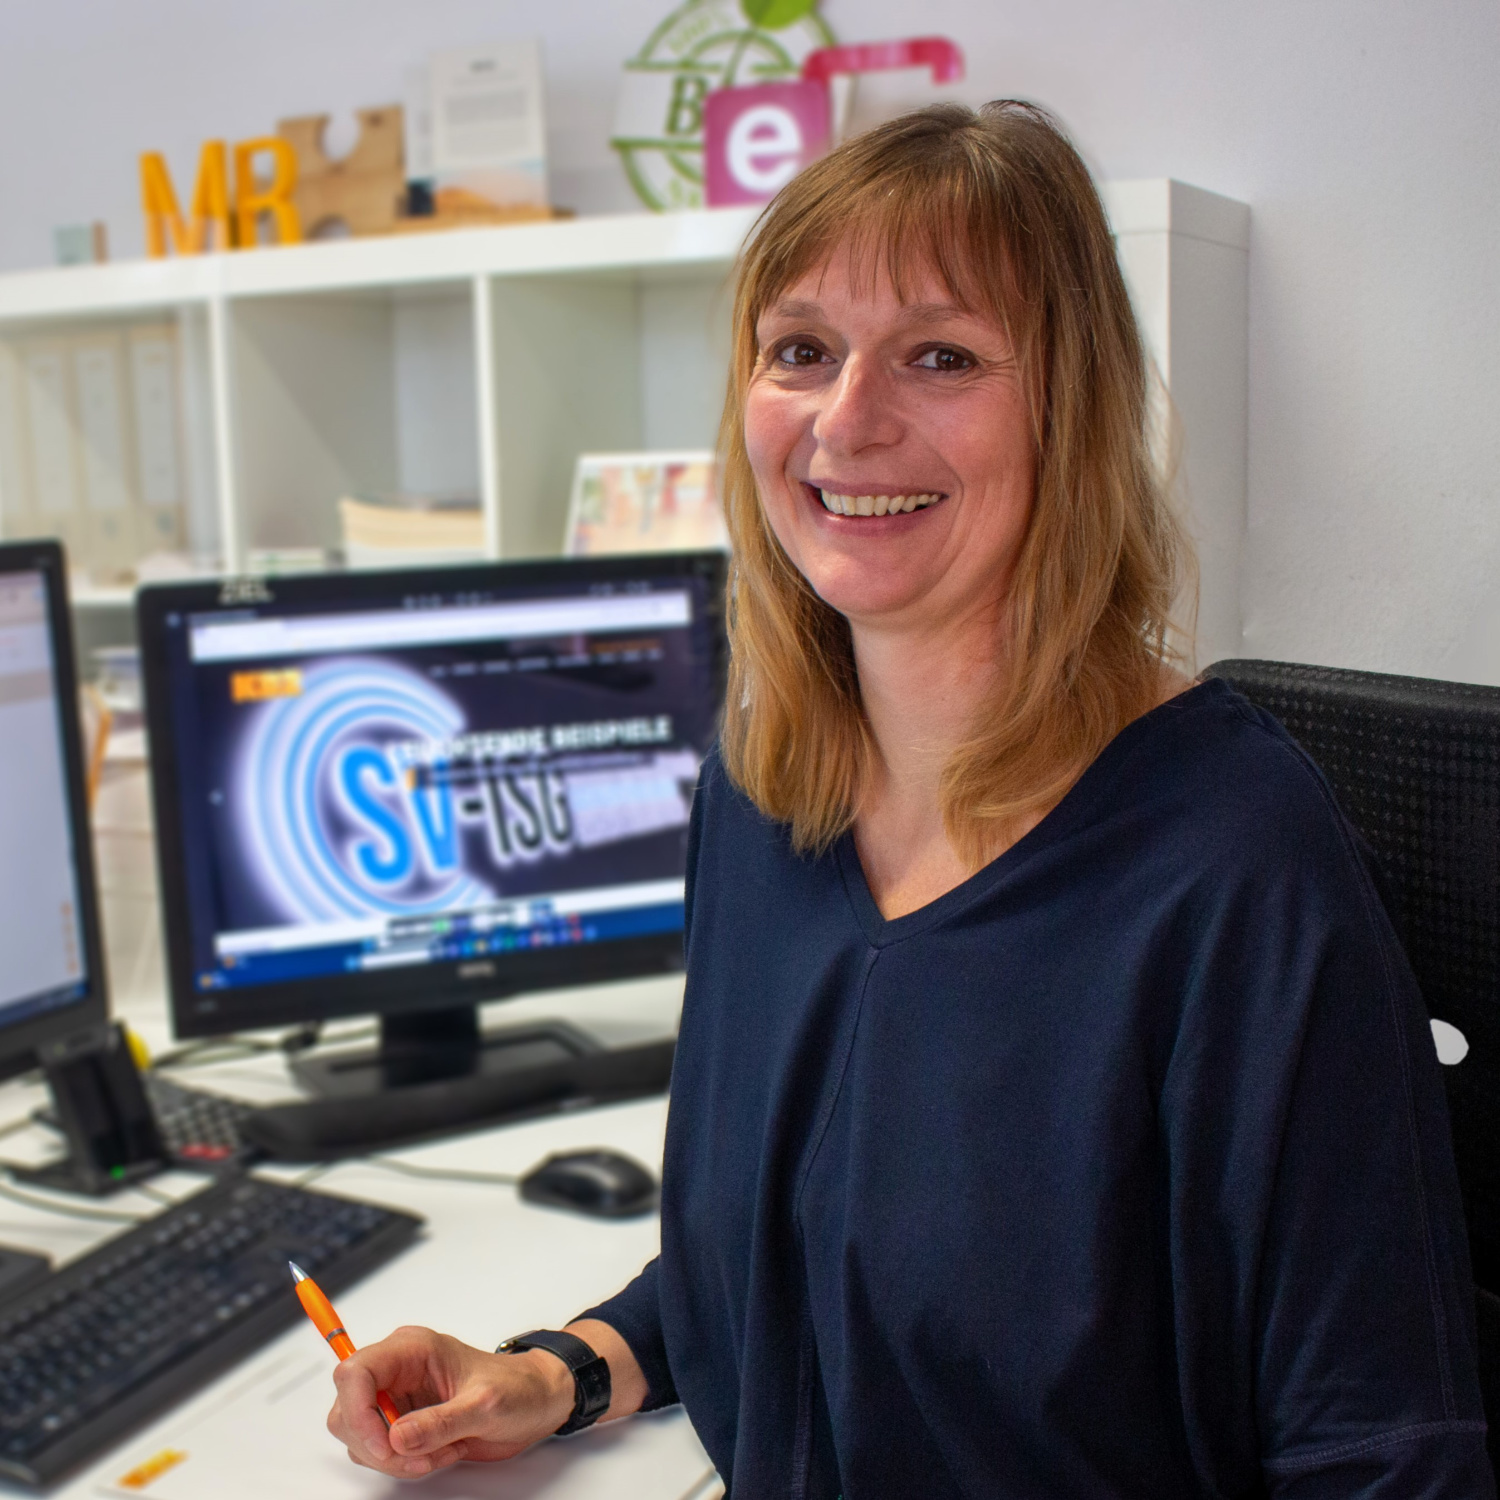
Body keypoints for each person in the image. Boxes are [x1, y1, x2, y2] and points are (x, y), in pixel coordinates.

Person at [327, 101, 1493, 1496]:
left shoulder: (1236, 864)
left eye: (941, 356)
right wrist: (557, 1372)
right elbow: (778, 1251)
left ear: (1070, 410)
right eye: (800, 351)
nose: (848, 420)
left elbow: (1382, 1454)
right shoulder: (762, 795)